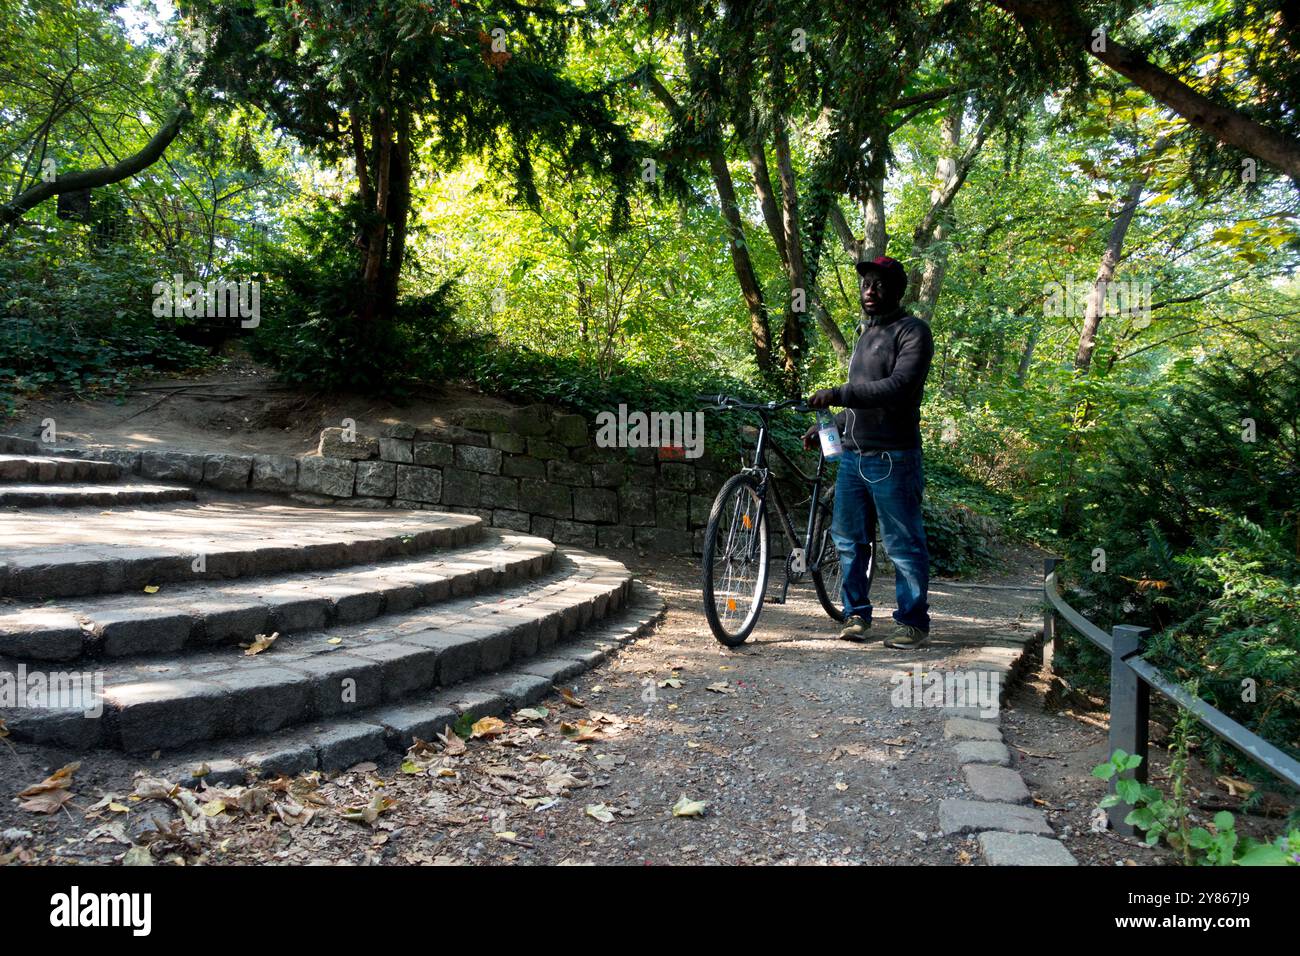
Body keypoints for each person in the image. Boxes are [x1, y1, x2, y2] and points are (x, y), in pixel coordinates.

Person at [805, 255, 934, 649]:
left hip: (895, 458)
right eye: (866, 284)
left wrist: (840, 393)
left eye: (879, 284)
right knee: (848, 541)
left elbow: (897, 388)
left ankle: (911, 622)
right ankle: (856, 615)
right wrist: (830, 425)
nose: (870, 291)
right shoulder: (866, 335)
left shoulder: (913, 332)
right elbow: (862, 405)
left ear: (898, 290)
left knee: (903, 544)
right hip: (854, 458)